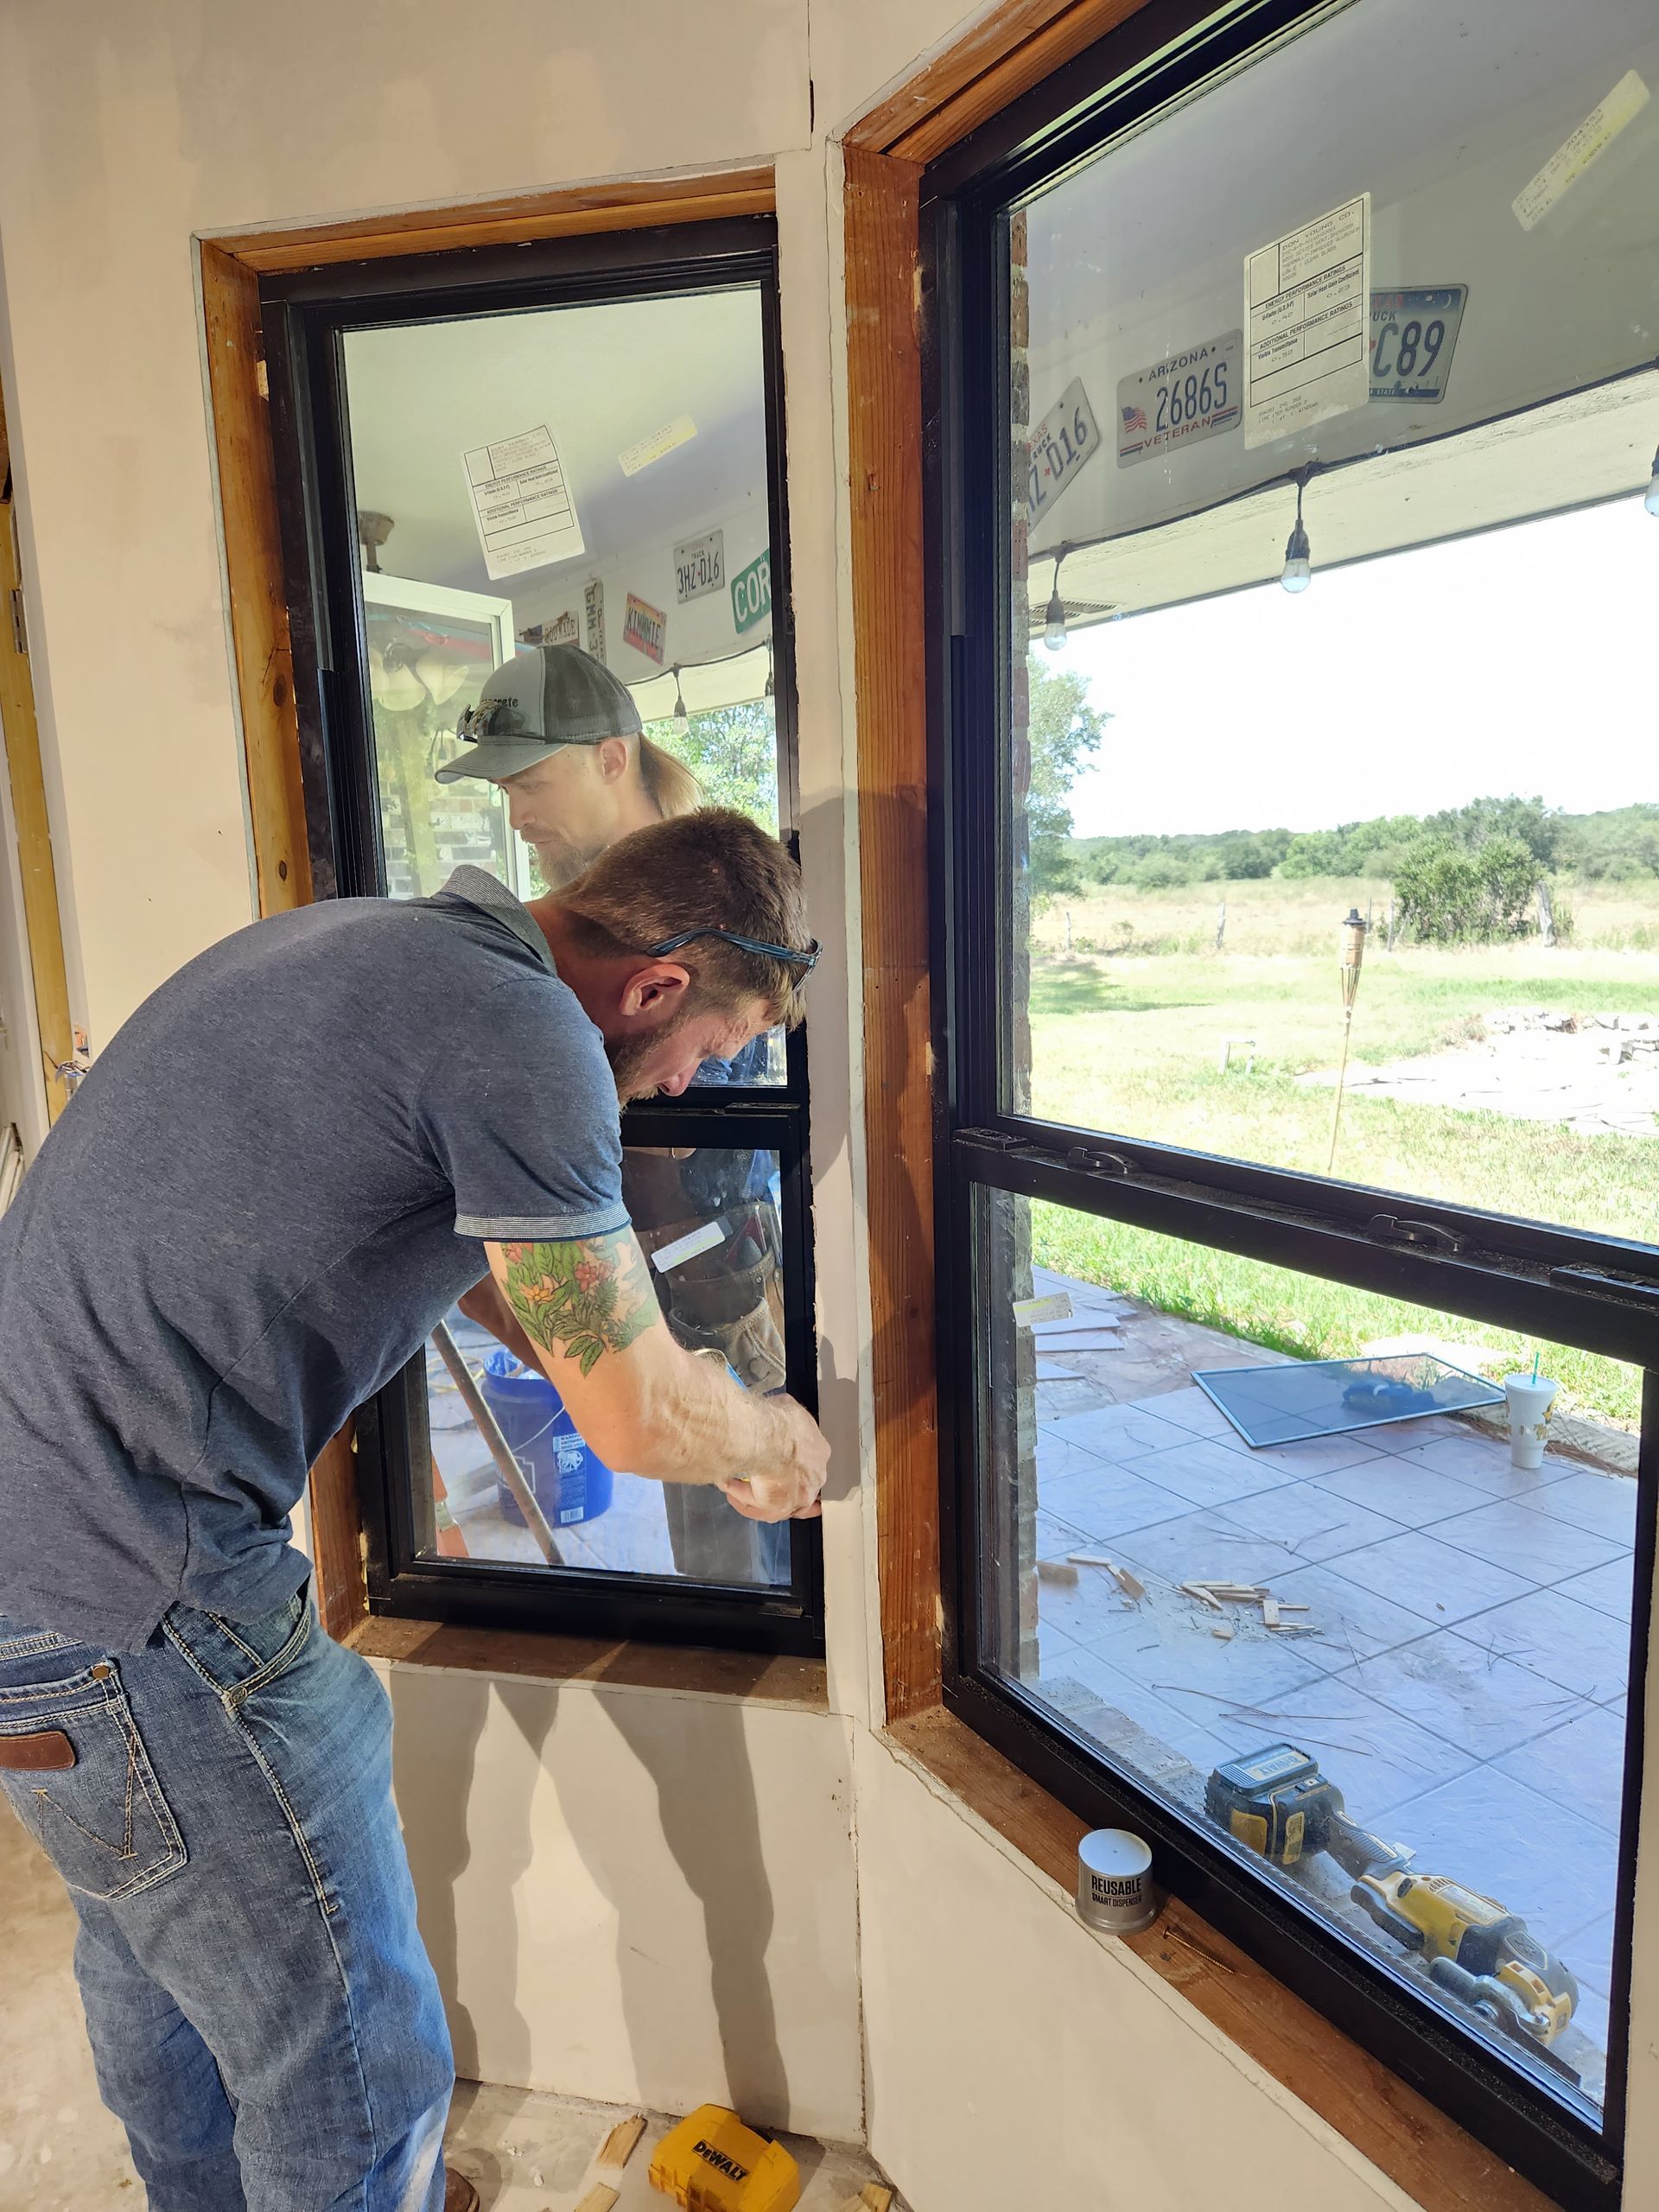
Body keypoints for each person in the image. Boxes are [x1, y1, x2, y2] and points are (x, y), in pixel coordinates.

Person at [0, 807, 828, 2212]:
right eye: (720, 1052)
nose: (696, 1088)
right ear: (660, 985)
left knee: (155, 1947)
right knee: (354, 2051)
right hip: (141, 1589)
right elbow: (632, 1421)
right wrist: (765, 1435)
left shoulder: (379, 944)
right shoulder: (530, 1037)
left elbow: (487, 1259)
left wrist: (619, 1343)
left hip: (35, 1577)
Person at [440, 642, 789, 1584]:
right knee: (706, 1514)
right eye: (502, 786)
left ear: (611, 754)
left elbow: (708, 1090)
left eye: (529, 777)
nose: (516, 811)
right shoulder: (543, 943)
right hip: (600, 1240)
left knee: (756, 1502)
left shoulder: (716, 903)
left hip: (708, 1247)